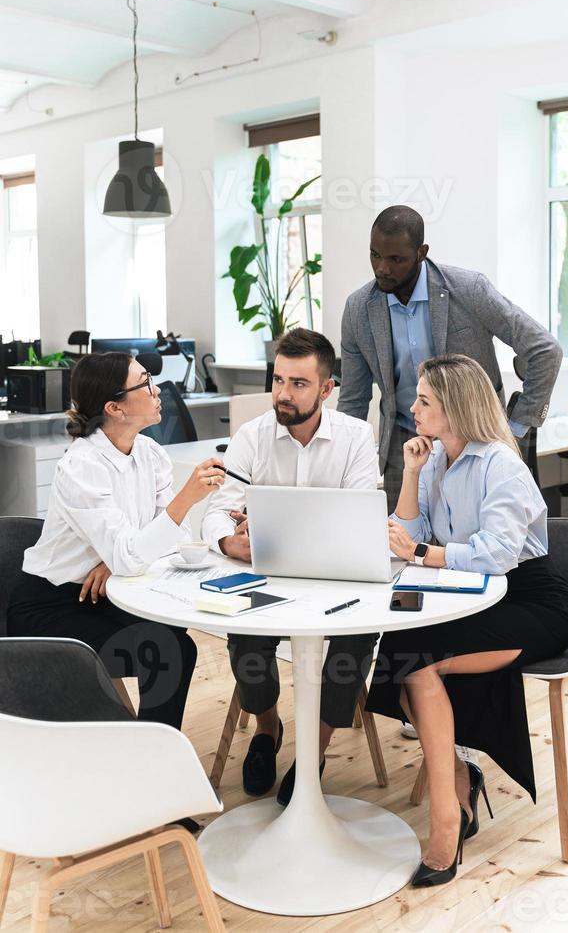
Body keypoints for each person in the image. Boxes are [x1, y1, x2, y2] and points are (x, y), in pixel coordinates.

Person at [365, 354, 568, 888]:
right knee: (401, 647)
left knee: (417, 663)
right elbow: (405, 532)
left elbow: (498, 554)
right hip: (469, 596)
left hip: (530, 601)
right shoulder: (436, 459)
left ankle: (446, 820)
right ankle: (460, 782)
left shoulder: (500, 465)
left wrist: (423, 553)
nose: (411, 408)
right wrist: (411, 473)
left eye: (424, 401)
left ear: (455, 408)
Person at [201, 328, 379, 806]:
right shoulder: (251, 437)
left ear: (326, 389)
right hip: (266, 576)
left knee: (356, 640)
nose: (282, 393)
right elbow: (219, 509)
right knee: (243, 632)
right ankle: (267, 729)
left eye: (298, 384)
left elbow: (362, 519)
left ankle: (313, 754)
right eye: (278, 380)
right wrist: (226, 540)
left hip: (337, 579)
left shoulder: (356, 438)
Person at [8, 351, 226, 732]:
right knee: (165, 647)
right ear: (115, 407)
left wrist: (114, 560)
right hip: (51, 603)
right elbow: (143, 545)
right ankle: (150, 758)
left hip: (107, 588)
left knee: (174, 639)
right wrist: (183, 501)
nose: (157, 389)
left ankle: (149, 751)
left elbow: (175, 542)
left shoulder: (150, 453)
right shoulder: (82, 466)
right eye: (145, 383)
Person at [337, 205, 563, 512]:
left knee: (474, 548)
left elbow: (545, 349)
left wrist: (517, 427)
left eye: (396, 259)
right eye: (375, 255)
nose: (382, 269)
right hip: (403, 446)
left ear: (421, 252)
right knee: (398, 547)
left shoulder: (469, 290)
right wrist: (343, 466)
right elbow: (352, 399)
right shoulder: (358, 309)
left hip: (475, 440)